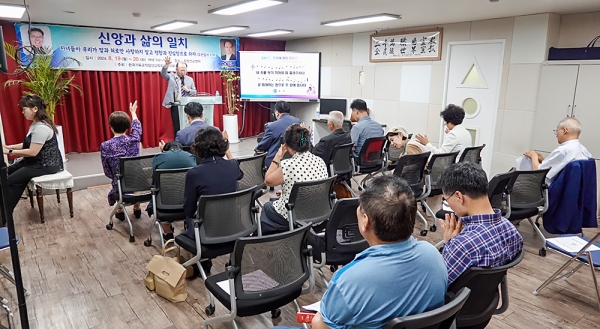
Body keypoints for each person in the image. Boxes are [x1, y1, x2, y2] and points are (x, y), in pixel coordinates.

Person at [273, 176, 448, 329]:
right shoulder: (434, 256)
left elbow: (322, 328)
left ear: (366, 222)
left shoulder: (350, 280)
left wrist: (318, 318)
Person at [438, 162, 523, 285]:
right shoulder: (511, 230)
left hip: (457, 303)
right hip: (485, 301)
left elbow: (437, 286)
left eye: (446, 200)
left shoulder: (462, 246)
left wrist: (448, 245)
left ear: (458, 196)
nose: (448, 205)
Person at [260, 124, 329, 234]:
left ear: (288, 147)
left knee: (267, 207)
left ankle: (273, 241)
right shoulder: (319, 161)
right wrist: (286, 191)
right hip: (319, 214)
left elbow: (267, 180)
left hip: (295, 216)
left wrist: (277, 157)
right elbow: (310, 182)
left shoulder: (288, 165)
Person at [2, 95, 63, 214]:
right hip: (36, 163)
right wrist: (9, 146)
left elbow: (32, 152)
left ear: (35, 109)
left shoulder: (41, 128)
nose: (22, 112)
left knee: (10, 181)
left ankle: (4, 214)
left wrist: (9, 151)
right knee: (6, 172)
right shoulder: (35, 125)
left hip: (45, 165)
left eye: (24, 109)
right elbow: (29, 144)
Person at [181, 128, 243, 239]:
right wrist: (226, 148)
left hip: (207, 230)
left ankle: (198, 253)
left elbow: (189, 209)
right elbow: (239, 174)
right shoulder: (233, 165)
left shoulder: (194, 173)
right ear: (222, 145)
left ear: (198, 148)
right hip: (234, 226)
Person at [146, 140, 197, 241]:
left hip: (164, 205)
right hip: (189, 204)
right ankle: (188, 226)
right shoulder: (191, 157)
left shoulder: (159, 157)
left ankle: (167, 232)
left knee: (157, 196)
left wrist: (162, 152)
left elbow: (154, 182)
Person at [100, 101, 142, 221]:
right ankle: (137, 206)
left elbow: (107, 170)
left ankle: (119, 208)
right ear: (128, 127)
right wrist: (133, 112)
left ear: (111, 127)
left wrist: (114, 176)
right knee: (134, 176)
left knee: (117, 177)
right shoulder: (134, 140)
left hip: (119, 184)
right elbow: (137, 126)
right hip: (138, 181)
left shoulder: (105, 145)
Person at [524, 117, 591, 186]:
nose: (556, 135)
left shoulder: (563, 151)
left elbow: (539, 173)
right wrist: (542, 160)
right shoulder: (583, 150)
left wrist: (533, 156)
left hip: (554, 191)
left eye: (557, 131)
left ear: (565, 130)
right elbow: (560, 167)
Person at [254, 101, 300, 167]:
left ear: (277, 113)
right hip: (293, 161)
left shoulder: (271, 126)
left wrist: (256, 149)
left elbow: (263, 146)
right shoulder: (297, 121)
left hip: (276, 162)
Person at [161, 56, 197, 136]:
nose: (183, 72)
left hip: (187, 105)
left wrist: (189, 90)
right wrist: (166, 65)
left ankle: (188, 139)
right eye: (181, 70)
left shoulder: (190, 79)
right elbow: (163, 73)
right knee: (176, 125)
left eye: (184, 70)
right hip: (176, 105)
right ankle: (177, 142)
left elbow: (195, 92)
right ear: (176, 70)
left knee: (188, 124)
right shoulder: (171, 77)